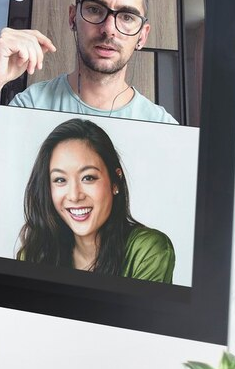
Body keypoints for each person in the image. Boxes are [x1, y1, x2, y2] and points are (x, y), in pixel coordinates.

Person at [0, 0, 177, 124]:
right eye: (95, 10)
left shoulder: (162, 125)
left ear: (142, 35)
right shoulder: (30, 105)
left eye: (127, 17)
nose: (109, 30)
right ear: (72, 17)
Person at [18, 118, 174, 282]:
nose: (74, 195)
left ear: (115, 181)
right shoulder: (33, 254)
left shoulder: (148, 250)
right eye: (60, 180)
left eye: (88, 177)